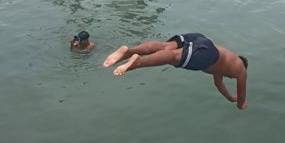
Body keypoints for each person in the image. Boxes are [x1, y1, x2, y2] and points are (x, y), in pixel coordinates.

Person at [104, 33, 249, 110]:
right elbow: (242, 96)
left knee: (164, 47)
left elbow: (219, 85)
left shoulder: (223, 64)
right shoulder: (240, 69)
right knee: (173, 57)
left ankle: (129, 51)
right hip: (206, 53)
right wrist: (240, 104)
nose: (231, 77)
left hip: (200, 39)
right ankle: (138, 62)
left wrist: (229, 97)